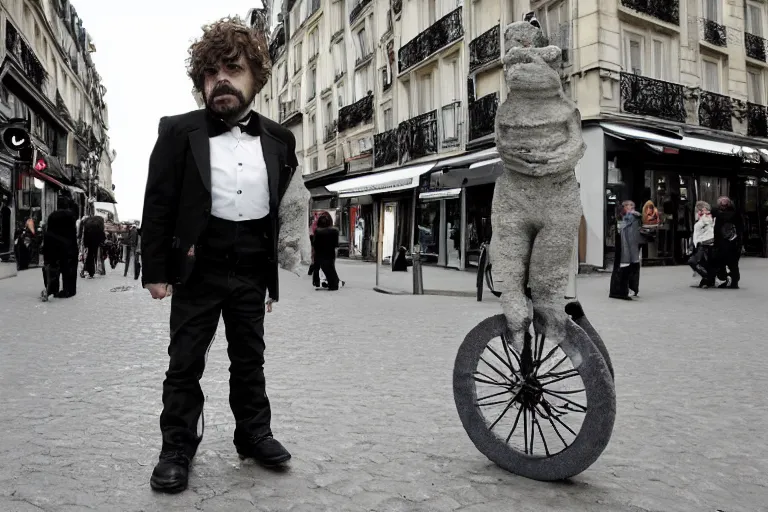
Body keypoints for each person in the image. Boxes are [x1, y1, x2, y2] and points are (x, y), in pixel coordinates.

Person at [141, 17, 299, 494]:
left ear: (256, 75)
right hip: (198, 266)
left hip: (251, 265)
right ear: (200, 83)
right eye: (210, 73)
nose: (221, 80)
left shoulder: (279, 139)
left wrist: (272, 281)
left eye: (232, 68)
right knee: (185, 361)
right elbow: (159, 203)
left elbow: (276, 211)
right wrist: (156, 271)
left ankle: (253, 434)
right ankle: (177, 448)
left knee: (250, 359)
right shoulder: (177, 131)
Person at [41, 197, 79, 299]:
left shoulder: (52, 216)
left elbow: (49, 231)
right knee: (69, 269)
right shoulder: (71, 215)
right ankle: (68, 291)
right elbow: (73, 232)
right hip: (68, 245)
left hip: (53, 244)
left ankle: (53, 290)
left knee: (53, 267)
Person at [609, 200, 642, 300]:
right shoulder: (626, 217)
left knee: (630, 268)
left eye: (633, 205)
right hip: (624, 246)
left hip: (629, 245)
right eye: (629, 205)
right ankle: (621, 292)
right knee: (624, 268)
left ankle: (629, 289)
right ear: (624, 207)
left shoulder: (631, 216)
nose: (631, 207)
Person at [712, 196, 742, 289]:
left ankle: (727, 280)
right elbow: (741, 227)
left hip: (725, 242)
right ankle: (733, 281)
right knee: (732, 263)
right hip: (732, 241)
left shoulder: (717, 213)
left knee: (723, 262)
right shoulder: (735, 213)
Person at [689, 201, 716, 288]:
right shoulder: (704, 219)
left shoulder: (706, 219)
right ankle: (708, 280)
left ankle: (707, 277)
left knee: (694, 262)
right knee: (705, 263)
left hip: (704, 244)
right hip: (704, 244)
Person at [312, 212, 342, 289]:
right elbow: (336, 244)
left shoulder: (317, 231)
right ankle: (334, 283)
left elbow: (315, 244)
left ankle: (321, 282)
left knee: (321, 268)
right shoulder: (335, 231)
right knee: (331, 268)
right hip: (330, 253)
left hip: (320, 253)